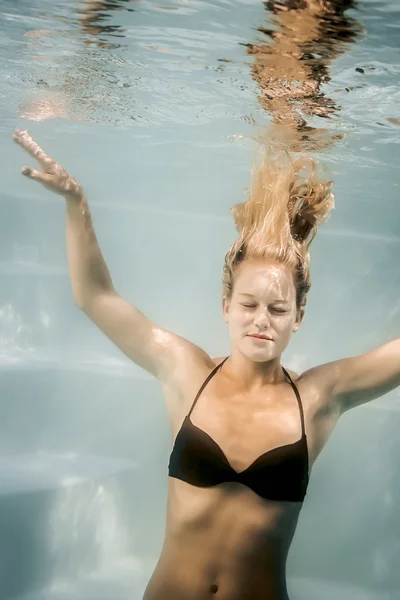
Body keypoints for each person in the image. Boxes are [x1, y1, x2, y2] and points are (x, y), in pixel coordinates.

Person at [12, 128, 400, 600]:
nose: (261, 321)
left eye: (278, 310)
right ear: (226, 306)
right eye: (248, 305)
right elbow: (95, 297)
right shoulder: (187, 370)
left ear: (298, 317)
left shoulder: (319, 397)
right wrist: (76, 204)